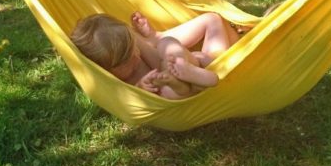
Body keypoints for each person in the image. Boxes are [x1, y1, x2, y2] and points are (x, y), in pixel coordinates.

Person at [70, 10, 241, 100]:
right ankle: (203, 76)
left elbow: (158, 59)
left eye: (133, 50)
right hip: (176, 93)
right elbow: (127, 99)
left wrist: (151, 37)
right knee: (167, 92)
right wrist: (141, 89)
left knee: (168, 44)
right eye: (126, 62)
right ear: (103, 68)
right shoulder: (106, 81)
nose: (136, 58)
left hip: (181, 68)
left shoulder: (133, 43)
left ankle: (195, 69)